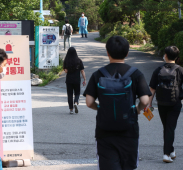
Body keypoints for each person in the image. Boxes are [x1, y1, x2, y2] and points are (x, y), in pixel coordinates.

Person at [83, 36, 151, 170]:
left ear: (107, 52)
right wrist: (137, 109)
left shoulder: (98, 74)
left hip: (104, 131)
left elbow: (89, 102)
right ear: (127, 53)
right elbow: (144, 100)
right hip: (129, 131)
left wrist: (101, 108)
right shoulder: (136, 74)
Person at [148, 46, 183, 163]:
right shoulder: (180, 70)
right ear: (177, 57)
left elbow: (152, 89)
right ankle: (166, 154)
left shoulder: (158, 69)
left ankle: (171, 151)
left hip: (162, 103)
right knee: (170, 128)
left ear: (166, 56)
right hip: (175, 103)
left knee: (167, 128)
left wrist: (149, 105)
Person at [63, 47, 86, 114]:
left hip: (69, 80)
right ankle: (76, 102)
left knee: (70, 94)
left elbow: (66, 71)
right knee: (77, 92)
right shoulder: (79, 60)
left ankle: (71, 109)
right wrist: (84, 79)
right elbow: (82, 71)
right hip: (77, 80)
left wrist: (65, 69)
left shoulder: (66, 61)